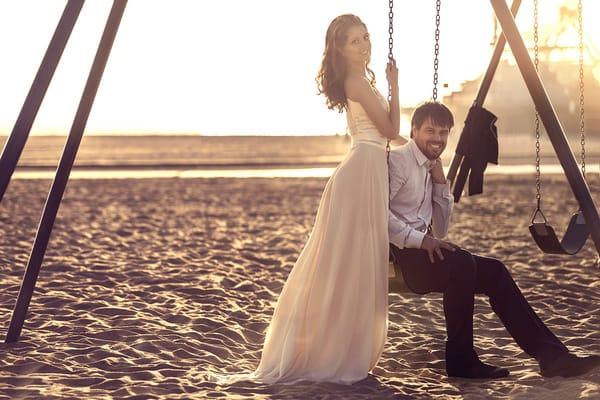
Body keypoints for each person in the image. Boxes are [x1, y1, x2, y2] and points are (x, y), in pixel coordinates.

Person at [212, 14, 406, 385]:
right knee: (346, 264)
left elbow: (392, 137)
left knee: (350, 263)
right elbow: (391, 129)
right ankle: (331, 349)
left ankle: (342, 345)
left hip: (366, 169)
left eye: (365, 37)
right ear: (340, 49)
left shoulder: (361, 79)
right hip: (361, 171)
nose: (364, 45)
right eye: (354, 41)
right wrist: (396, 85)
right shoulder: (357, 82)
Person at [388, 101, 600, 379]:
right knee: (461, 263)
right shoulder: (398, 161)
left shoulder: (433, 168)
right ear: (414, 130)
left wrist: (441, 184)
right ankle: (461, 361)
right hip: (400, 256)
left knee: (495, 271)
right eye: (430, 131)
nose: (437, 139)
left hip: (426, 252)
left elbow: (440, 229)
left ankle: (553, 357)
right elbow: (376, 215)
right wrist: (419, 240)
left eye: (443, 132)